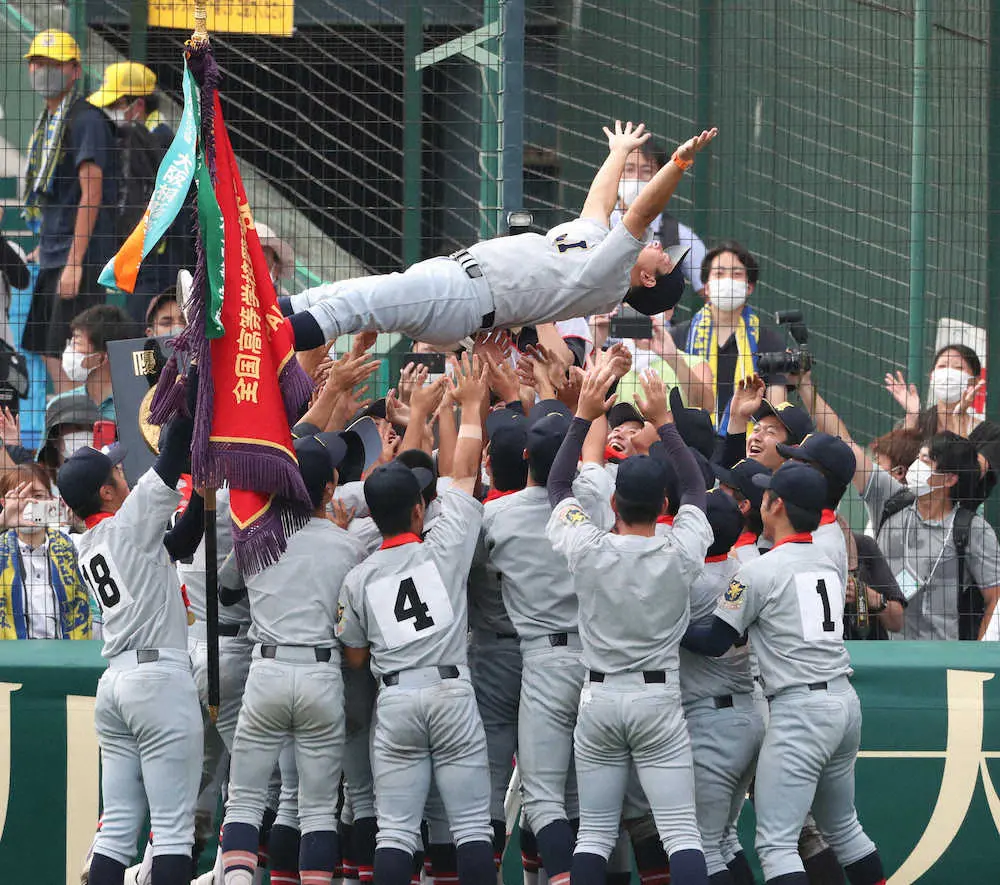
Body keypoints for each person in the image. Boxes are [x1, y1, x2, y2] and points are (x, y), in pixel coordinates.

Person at [282, 123, 718, 349]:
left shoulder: (608, 280)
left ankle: (266, 349)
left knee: (351, 307)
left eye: (666, 261)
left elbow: (642, 211)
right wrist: (619, 153)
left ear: (647, 280)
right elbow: (596, 206)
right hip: (457, 281)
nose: (661, 249)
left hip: (465, 297)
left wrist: (677, 164)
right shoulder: (600, 256)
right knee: (335, 293)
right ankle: (263, 318)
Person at [546, 365, 715, 885]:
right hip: (658, 700)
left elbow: (557, 486)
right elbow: (696, 488)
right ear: (663, 506)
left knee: (594, 834)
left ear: (614, 504)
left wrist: (582, 415)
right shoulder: (680, 548)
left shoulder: (590, 548)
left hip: (598, 699)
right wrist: (666, 423)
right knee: (681, 833)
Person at [682, 461, 886, 885]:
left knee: (776, 845)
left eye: (766, 493)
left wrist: (660, 624)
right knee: (846, 830)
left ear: (775, 505)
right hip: (843, 704)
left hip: (801, 710)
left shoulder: (759, 570)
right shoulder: (825, 559)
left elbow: (715, 641)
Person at [336, 355, 496, 885]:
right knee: (471, 826)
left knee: (396, 834)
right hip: (451, 691)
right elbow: (466, 473)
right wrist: (467, 408)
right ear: (419, 511)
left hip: (396, 698)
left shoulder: (359, 576)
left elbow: (355, 658)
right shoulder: (444, 546)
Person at [58, 400, 202, 885]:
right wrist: (189, 380)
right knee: (172, 832)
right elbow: (175, 445)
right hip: (157, 681)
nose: (123, 470)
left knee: (118, 830)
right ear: (104, 490)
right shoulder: (129, 525)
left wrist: (200, 495)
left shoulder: (88, 543)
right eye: (115, 469)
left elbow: (179, 545)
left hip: (116, 685)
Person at [220, 431, 365, 885]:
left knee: (244, 800)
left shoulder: (254, 534)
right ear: (329, 488)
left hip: (267, 669)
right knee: (317, 809)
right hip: (323, 672)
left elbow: (226, 594)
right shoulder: (349, 546)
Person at [799, 373, 1000, 641]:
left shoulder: (971, 529)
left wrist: (975, 657)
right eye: (919, 457)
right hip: (880, 650)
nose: (916, 467)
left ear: (951, 478)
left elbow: (995, 600)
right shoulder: (891, 498)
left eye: (927, 462)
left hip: (941, 660)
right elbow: (845, 445)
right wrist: (805, 386)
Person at [21, 30, 119, 393]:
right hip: (55, 253)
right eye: (38, 64)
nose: (43, 71)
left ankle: (85, 434)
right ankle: (70, 429)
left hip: (79, 258)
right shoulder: (50, 122)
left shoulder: (85, 120)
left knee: (77, 356)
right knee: (48, 351)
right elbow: (59, 194)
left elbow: (91, 191)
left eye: (54, 64)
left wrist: (75, 262)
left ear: (75, 71)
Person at [669, 242, 789, 433]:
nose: (728, 281)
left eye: (736, 274)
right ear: (706, 287)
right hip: (688, 444)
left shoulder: (769, 341)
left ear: (749, 287)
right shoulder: (677, 337)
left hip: (748, 447)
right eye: (719, 273)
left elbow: (777, 409)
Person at [0, 463, 92, 639]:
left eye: (38, 496)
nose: (29, 504)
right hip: (9, 663)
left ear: (51, 500)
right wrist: (2, 521)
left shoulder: (76, 546)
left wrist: (80, 521)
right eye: (20, 497)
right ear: (4, 503)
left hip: (70, 661)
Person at [610, 139, 708, 295]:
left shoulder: (679, 236)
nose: (636, 178)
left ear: (662, 176)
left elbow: (711, 289)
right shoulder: (599, 224)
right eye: (629, 169)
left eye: (647, 171)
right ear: (616, 171)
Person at [52, 304, 138, 422]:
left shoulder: (139, 408)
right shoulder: (60, 406)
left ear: (102, 357)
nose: (69, 352)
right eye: (71, 343)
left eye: (77, 343)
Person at [884, 344, 983, 439]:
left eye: (958, 368)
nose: (948, 374)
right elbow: (897, 455)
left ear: (975, 381)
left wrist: (959, 417)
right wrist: (912, 416)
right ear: (932, 376)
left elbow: (964, 456)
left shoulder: (985, 432)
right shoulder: (916, 423)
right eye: (942, 366)